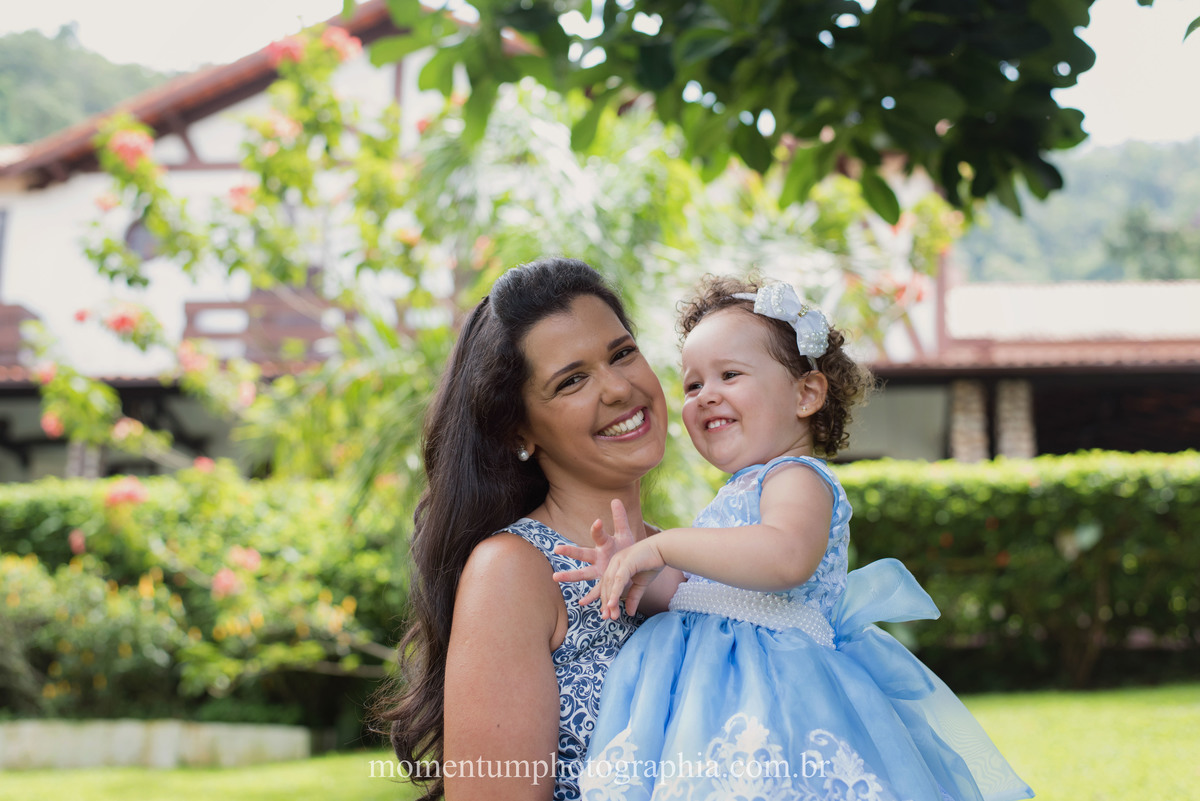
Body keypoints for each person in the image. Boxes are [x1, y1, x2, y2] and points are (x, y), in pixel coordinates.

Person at [557, 276, 1034, 801]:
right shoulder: (734, 497)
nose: (705, 395)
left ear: (806, 393)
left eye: (730, 375)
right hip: (709, 703)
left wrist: (665, 544)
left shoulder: (797, 479)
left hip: (779, 696)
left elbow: (785, 558)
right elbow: (692, 592)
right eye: (693, 385)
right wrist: (631, 570)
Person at [373, 257, 671, 800]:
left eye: (622, 353)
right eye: (572, 381)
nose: (617, 389)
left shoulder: (689, 554)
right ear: (520, 431)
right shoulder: (513, 570)